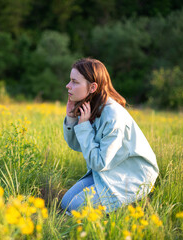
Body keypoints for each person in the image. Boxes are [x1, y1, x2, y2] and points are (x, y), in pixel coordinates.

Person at [61, 58, 159, 214]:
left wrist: (84, 126)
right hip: (108, 172)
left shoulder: (112, 115)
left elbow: (99, 162)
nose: (68, 85)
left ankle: (132, 203)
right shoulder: (91, 106)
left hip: (132, 176)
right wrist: (72, 118)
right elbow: (76, 144)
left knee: (74, 207)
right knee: (65, 202)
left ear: (92, 87)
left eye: (74, 81)